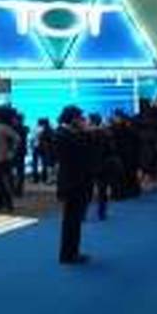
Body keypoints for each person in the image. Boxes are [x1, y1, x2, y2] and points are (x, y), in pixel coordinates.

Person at [56, 106, 94, 264]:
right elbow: (80, 154)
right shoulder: (64, 135)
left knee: (74, 220)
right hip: (72, 183)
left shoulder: (67, 134)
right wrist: (86, 133)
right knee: (71, 220)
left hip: (74, 182)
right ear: (73, 119)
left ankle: (71, 252)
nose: (82, 121)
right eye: (80, 118)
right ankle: (68, 254)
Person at [33, 118, 56, 183]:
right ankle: (44, 177)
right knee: (45, 163)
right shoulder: (49, 129)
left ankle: (36, 178)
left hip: (37, 147)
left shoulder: (36, 129)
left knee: (35, 163)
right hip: (45, 148)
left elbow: (33, 138)